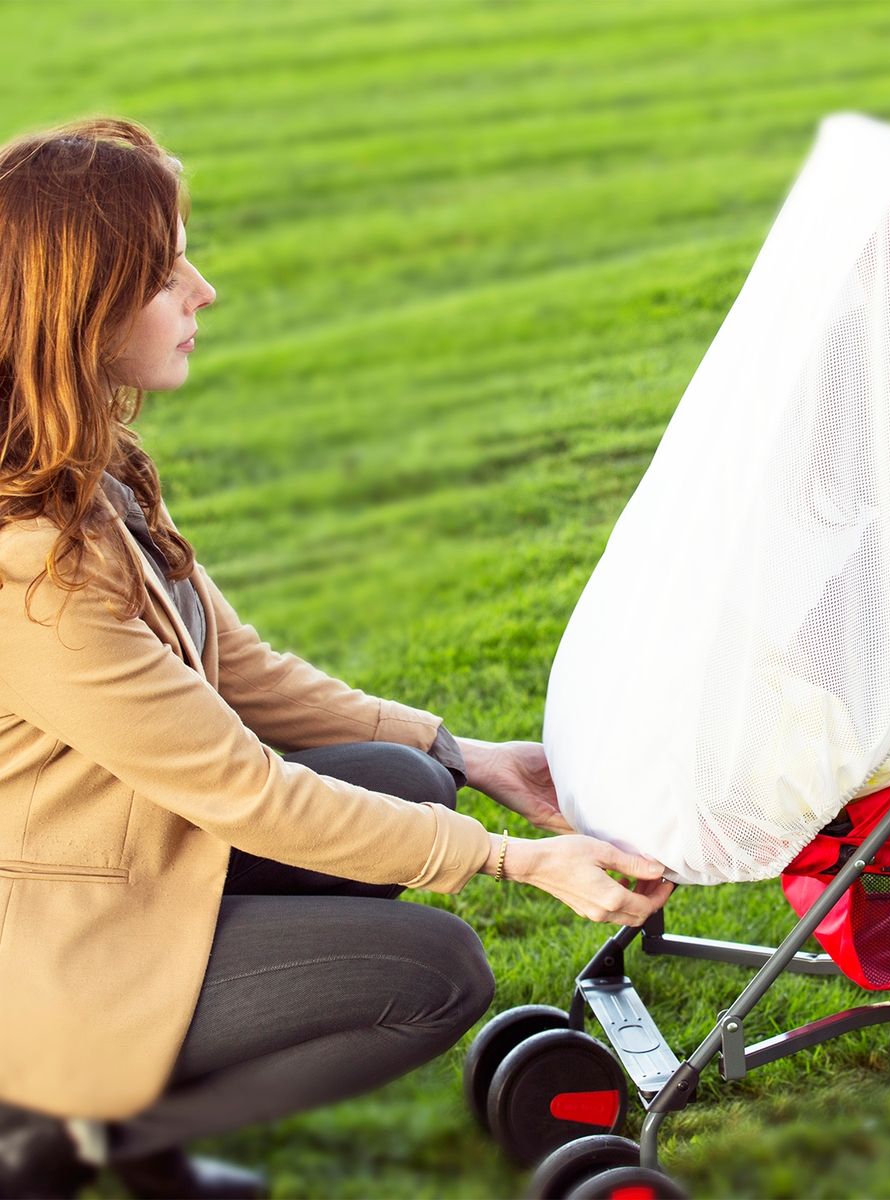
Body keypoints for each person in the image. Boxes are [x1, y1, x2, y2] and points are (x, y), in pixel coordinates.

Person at [0, 117, 673, 1200]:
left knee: (410, 779)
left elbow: (241, 671)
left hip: (122, 858)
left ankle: (97, 1130)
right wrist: (510, 860)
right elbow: (246, 792)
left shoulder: (90, 468)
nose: (205, 291)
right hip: (48, 943)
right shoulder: (31, 572)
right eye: (168, 275)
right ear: (81, 310)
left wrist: (466, 754)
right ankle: (48, 1138)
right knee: (434, 974)